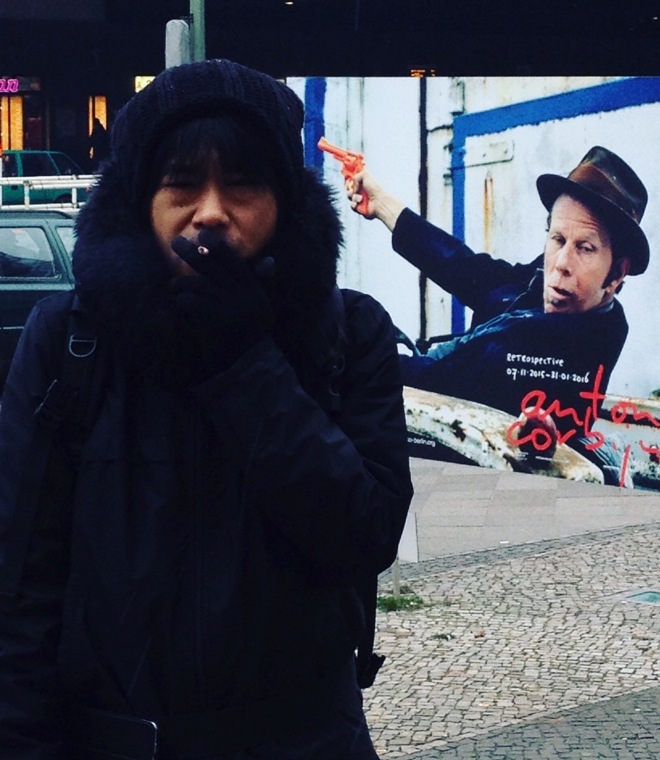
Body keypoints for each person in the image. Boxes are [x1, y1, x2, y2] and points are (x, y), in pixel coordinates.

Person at [0, 60, 413, 759]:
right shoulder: (70, 342)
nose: (213, 211)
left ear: (285, 200)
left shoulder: (349, 335)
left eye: (243, 184)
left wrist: (244, 362)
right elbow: (19, 592)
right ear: (141, 201)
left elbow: (364, 535)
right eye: (183, 184)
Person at [347, 147, 650, 483]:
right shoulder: (566, 290)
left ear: (616, 273)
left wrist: (341, 355)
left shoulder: (568, 339)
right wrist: (382, 204)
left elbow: (433, 375)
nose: (561, 263)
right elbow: (470, 271)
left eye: (585, 248)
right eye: (558, 239)